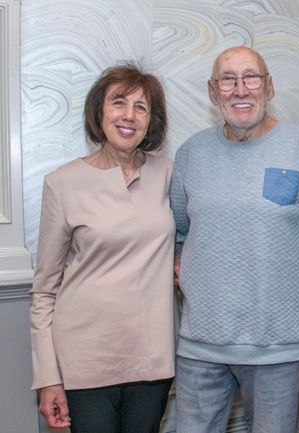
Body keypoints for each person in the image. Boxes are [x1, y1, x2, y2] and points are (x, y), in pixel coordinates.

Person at [169, 46, 299, 433]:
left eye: (251, 77)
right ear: (214, 92)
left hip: (277, 347)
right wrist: (182, 262)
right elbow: (180, 232)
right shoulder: (190, 154)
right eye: (227, 80)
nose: (240, 89)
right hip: (200, 344)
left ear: (269, 87)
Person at [29, 64, 174, 432]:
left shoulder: (170, 174)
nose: (129, 115)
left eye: (141, 107)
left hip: (151, 361)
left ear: (151, 120)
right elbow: (44, 290)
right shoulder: (62, 183)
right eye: (118, 102)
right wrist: (49, 377)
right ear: (99, 112)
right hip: (85, 362)